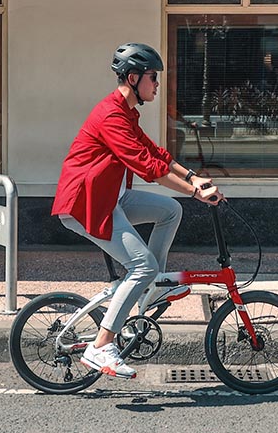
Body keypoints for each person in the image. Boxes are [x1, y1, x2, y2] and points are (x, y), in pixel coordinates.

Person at [51, 42, 223, 379]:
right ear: (133, 78)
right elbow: (147, 167)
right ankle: (101, 345)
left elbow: (153, 151)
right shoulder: (110, 115)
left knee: (170, 211)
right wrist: (195, 193)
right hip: (86, 205)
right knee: (140, 264)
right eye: (153, 77)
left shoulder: (127, 112)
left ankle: (153, 284)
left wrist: (192, 177)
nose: (157, 83)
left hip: (111, 197)